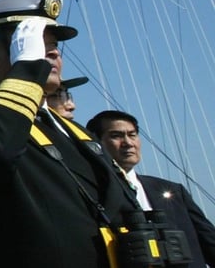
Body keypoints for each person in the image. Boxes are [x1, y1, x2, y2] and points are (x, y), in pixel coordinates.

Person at [0, 0, 139, 268]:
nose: (54, 51)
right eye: (33, 41)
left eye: (54, 43)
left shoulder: (78, 134)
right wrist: (28, 70)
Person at [87, 110, 215, 268]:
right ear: (96, 143)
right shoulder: (92, 194)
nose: (128, 143)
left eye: (132, 135)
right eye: (116, 136)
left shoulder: (173, 191)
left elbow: (209, 240)